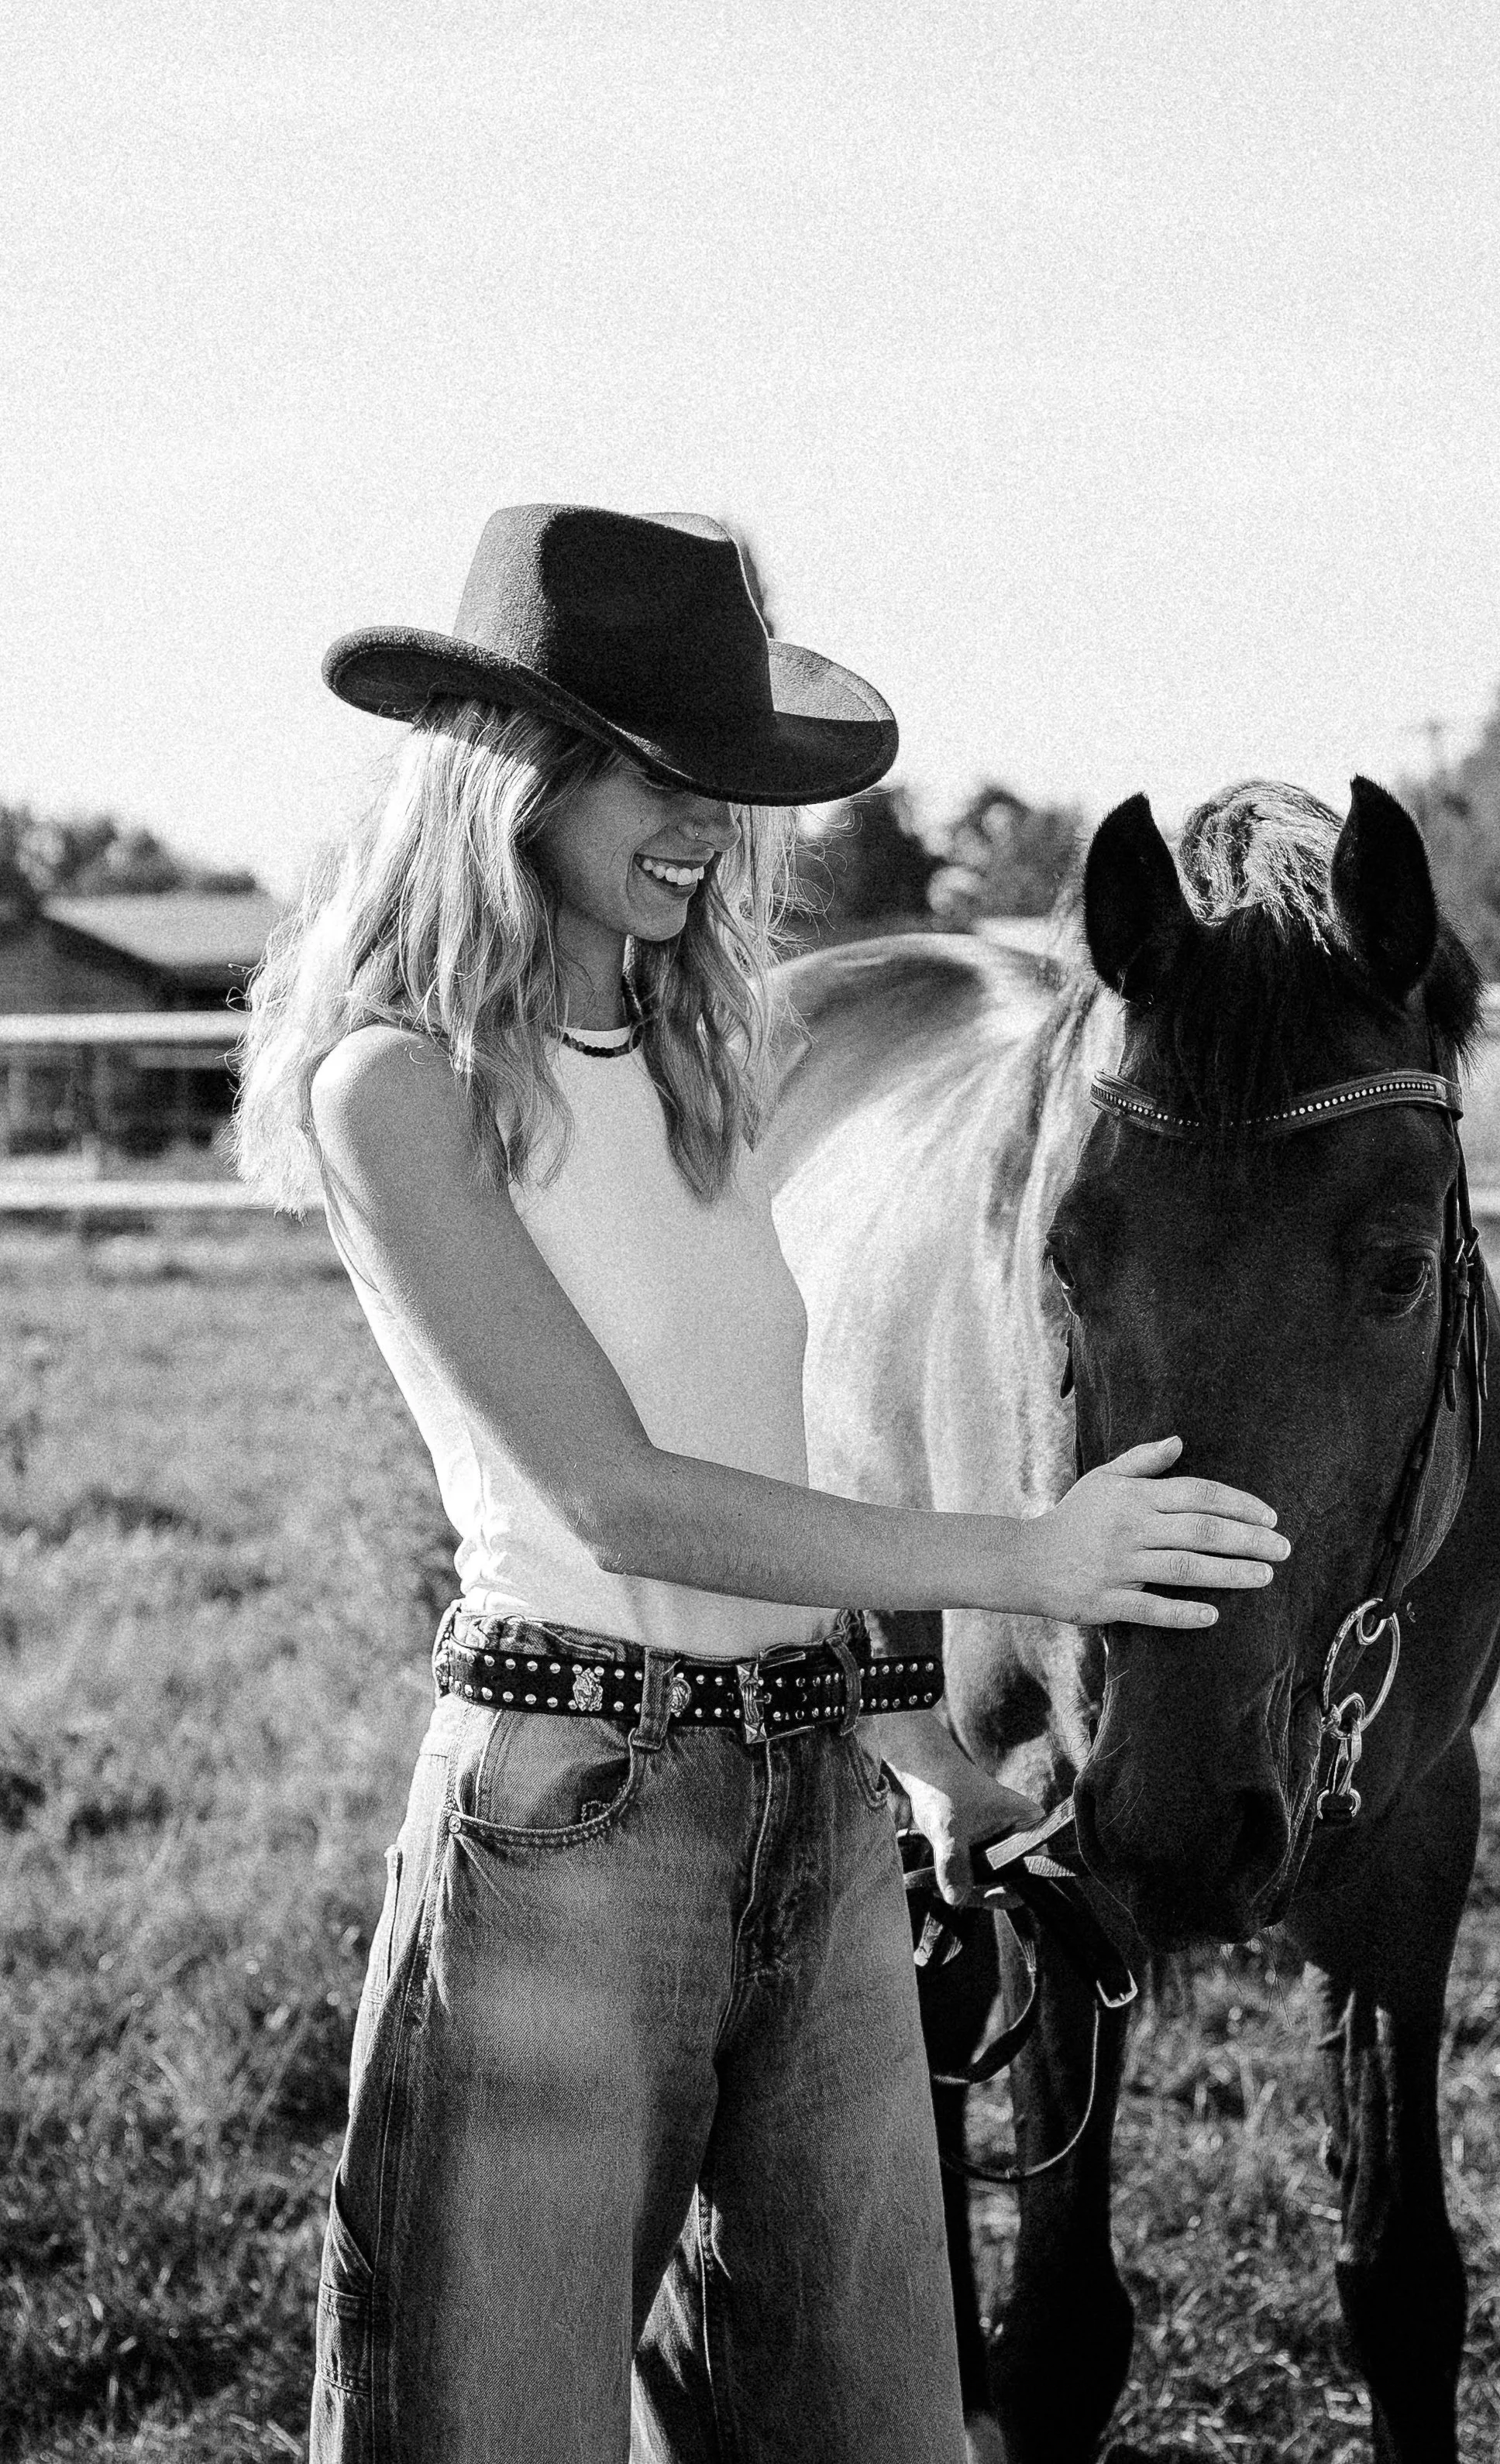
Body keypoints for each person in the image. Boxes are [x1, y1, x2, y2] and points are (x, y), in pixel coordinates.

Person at [236, 503, 1289, 2464]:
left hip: (810, 1808)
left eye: (721, 783)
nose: (707, 827)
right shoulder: (399, 1087)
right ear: (513, 772)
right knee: (495, 2426)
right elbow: (620, 1500)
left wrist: (918, 1752)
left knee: (862, 2423)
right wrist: (1028, 1558)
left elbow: (761, 1467)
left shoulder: (694, 1057)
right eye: (655, 772)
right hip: (573, 1815)